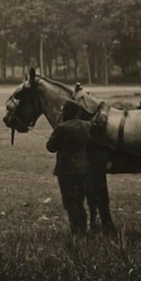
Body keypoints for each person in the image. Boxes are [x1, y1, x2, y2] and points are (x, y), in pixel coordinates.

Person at [47, 100, 93, 236]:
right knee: (80, 201)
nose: (61, 113)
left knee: (70, 202)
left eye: (62, 110)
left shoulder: (61, 128)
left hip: (67, 170)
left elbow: (50, 147)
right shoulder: (87, 125)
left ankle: (76, 231)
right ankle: (84, 230)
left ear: (67, 112)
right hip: (84, 168)